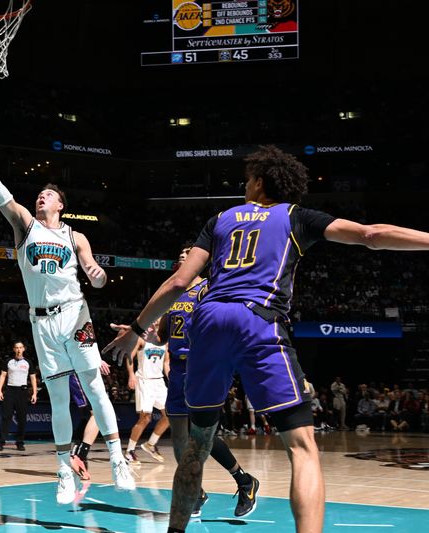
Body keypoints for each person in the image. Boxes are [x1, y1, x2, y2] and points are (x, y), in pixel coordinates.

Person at [104, 145, 429, 533]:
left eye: (247, 179)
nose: (244, 185)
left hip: (207, 323)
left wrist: (138, 330)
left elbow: (178, 282)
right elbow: (371, 235)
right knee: (303, 447)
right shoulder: (295, 217)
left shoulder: (220, 219)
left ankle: (176, 530)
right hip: (258, 321)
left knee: (196, 445)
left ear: (260, 182)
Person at [0, 122, 135, 505]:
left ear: (61, 204)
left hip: (75, 315)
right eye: (39, 194)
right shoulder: (26, 228)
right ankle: (63, 469)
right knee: (58, 400)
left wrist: (99, 277)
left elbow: (94, 276)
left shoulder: (75, 236)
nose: (41, 197)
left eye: (48, 194)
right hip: (42, 322)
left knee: (96, 388)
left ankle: (118, 460)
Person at [159, 245, 260, 519]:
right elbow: (161, 336)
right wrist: (136, 334)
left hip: (201, 365)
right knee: (179, 435)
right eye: (179, 255)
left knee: (203, 435)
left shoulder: (208, 288)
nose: (183, 256)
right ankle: (196, 491)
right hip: (178, 369)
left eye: (188, 253)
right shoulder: (172, 292)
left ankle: (244, 480)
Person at [125, 318, 169, 465]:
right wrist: (131, 375)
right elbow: (129, 356)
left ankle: (150, 444)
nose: (157, 319)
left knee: (170, 414)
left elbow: (166, 362)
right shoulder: (142, 338)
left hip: (159, 381)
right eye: (156, 316)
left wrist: (171, 378)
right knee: (145, 418)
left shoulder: (164, 340)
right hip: (144, 380)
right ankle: (129, 451)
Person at [0, 341, 38, 451]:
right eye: (16, 347)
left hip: (22, 391)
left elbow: (33, 378)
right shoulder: (8, 361)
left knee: (22, 418)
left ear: (24, 349)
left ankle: (20, 442)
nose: (18, 349)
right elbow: (3, 375)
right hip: (10, 390)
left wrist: (34, 393)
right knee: (6, 417)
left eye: (20, 347)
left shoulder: (28, 362)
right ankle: (1, 442)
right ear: (14, 349)